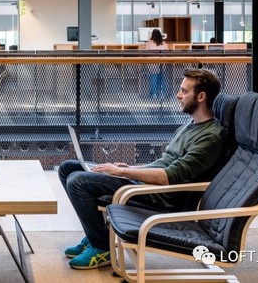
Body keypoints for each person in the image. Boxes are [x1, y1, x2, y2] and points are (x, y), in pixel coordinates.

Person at [58, 68, 223, 270]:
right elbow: (165, 163)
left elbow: (171, 175)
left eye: (184, 91)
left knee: (78, 182)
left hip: (161, 198)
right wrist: (131, 167)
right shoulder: (190, 125)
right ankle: (95, 234)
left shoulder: (209, 137)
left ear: (201, 96)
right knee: (68, 168)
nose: (178, 95)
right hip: (147, 185)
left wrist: (123, 172)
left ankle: (101, 247)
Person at [145, 29, 169, 98]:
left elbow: (145, 52)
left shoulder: (149, 43)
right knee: (162, 78)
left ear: (152, 35)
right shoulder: (163, 43)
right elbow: (167, 52)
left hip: (153, 63)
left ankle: (154, 94)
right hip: (162, 63)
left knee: (153, 77)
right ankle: (162, 93)